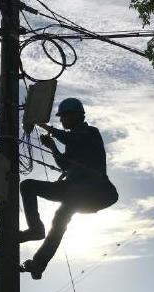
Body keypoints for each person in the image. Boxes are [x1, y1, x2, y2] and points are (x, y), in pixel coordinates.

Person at [20, 98, 118, 279]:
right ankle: (38, 262)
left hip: (92, 190)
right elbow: (65, 165)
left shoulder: (90, 133)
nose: (62, 120)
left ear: (76, 115)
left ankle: (35, 233)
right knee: (56, 214)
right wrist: (53, 148)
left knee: (34, 191)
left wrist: (44, 126)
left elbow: (70, 138)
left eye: (64, 116)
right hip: (77, 192)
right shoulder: (74, 139)